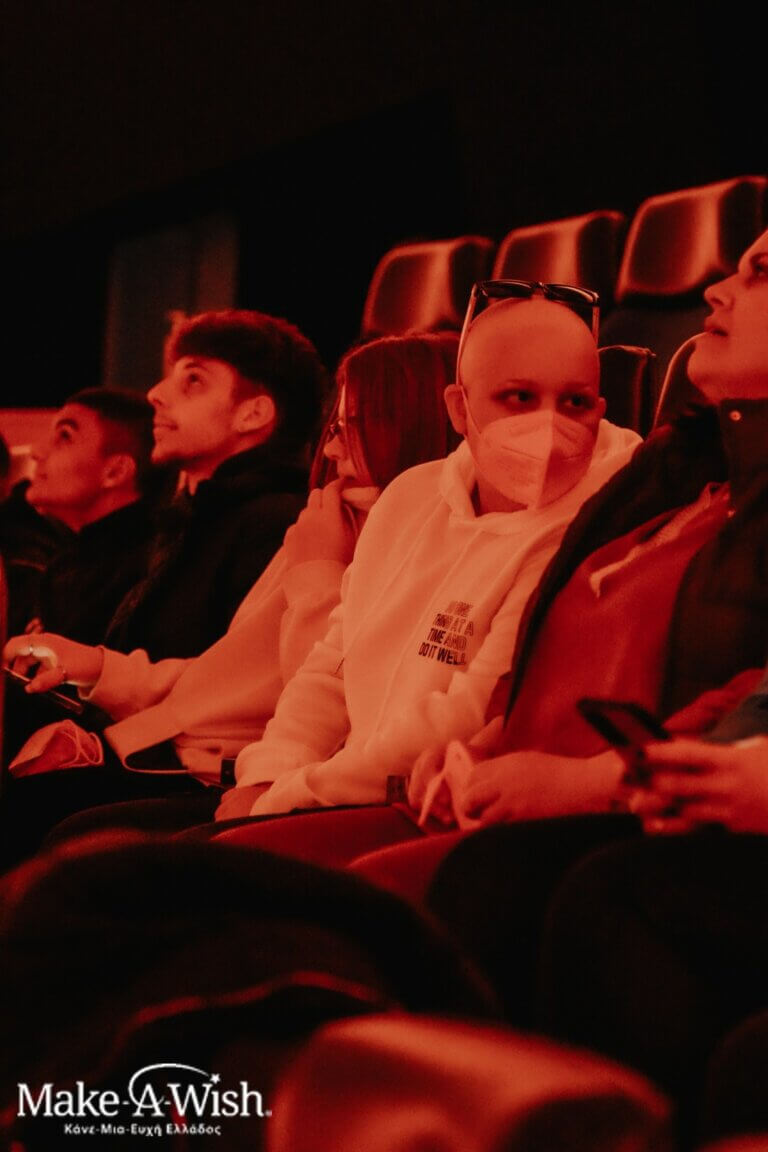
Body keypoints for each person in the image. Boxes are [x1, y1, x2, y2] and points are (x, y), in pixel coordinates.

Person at [0, 334, 460, 859]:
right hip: (210, 758)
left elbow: (329, 701)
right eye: (334, 428)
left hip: (241, 773)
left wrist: (317, 573)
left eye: (193, 381)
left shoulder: (299, 524)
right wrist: (100, 669)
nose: (156, 394)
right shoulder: (308, 518)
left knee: (57, 824)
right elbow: (229, 678)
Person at [211, 288, 639, 851]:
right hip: (332, 793)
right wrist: (268, 775)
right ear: (459, 409)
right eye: (519, 397)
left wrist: (284, 799)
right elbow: (331, 666)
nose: (548, 423)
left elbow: (466, 715)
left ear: (600, 410)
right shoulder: (410, 496)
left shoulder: (601, 520)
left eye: (575, 402)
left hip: (423, 809)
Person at [103, 309, 328, 660]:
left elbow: (234, 678)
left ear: (253, 414)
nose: (155, 394)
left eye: (193, 380)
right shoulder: (193, 516)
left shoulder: (278, 526)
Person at [23, 388, 157, 646]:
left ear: (115, 471)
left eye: (64, 436)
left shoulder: (147, 573)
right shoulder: (68, 566)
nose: (36, 451)